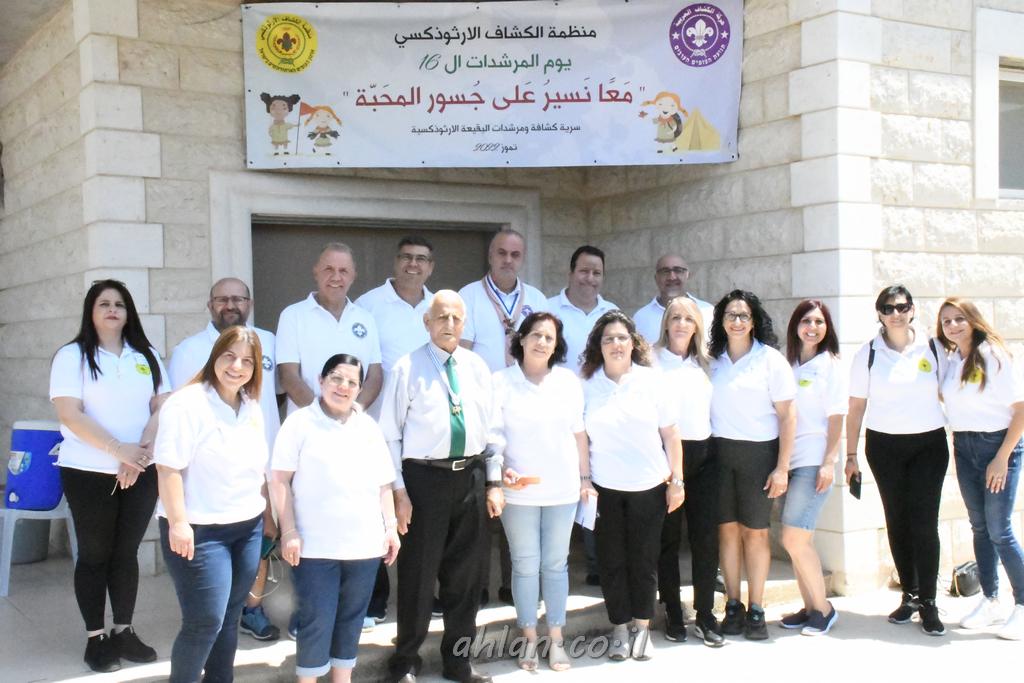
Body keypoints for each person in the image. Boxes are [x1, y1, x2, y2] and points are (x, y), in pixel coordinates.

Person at [380, 290, 503, 683]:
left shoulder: (477, 367)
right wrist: (399, 492)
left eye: (456, 318)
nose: (449, 324)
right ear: (427, 322)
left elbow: (492, 430)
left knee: (466, 577)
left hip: (471, 476)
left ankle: (458, 660)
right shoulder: (406, 367)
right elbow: (389, 435)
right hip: (424, 480)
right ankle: (405, 661)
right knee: (418, 575)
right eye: (442, 317)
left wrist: (494, 481)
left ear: (464, 324)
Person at [49, 279, 169, 673]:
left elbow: (162, 407)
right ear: (91, 311)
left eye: (120, 303)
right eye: (104, 303)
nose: (113, 309)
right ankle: (95, 638)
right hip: (88, 471)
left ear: (129, 312)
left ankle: (123, 630)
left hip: (140, 469)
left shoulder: (146, 355)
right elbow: (70, 414)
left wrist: (140, 453)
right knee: (95, 554)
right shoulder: (72, 356)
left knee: (126, 552)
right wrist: (119, 450)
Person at [270, 354, 401, 682]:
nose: (343, 387)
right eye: (336, 378)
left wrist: (390, 528)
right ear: (321, 380)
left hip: (364, 546)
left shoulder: (367, 427)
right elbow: (280, 480)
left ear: (360, 389)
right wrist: (289, 531)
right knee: (316, 620)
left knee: (351, 620)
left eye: (352, 382)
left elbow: (384, 483)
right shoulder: (299, 424)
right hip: (314, 547)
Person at [167, 277, 282, 641]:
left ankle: (252, 608)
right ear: (210, 305)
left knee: (264, 539)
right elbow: (175, 411)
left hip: (258, 465)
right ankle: (211, 613)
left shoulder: (269, 342)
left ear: (250, 303)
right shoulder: (188, 350)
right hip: (209, 482)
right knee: (213, 584)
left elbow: (275, 395)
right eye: (222, 299)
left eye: (238, 298)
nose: (230, 305)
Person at [155, 326, 269, 683]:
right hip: (199, 531)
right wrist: (178, 524)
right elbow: (168, 467)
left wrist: (267, 518)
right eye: (229, 356)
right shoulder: (186, 404)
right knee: (204, 621)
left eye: (247, 361)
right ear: (214, 356)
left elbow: (257, 470)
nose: (237, 367)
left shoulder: (250, 406)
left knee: (230, 616)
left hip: (246, 527)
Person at [489, 312, 592, 671]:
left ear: (556, 344)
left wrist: (585, 478)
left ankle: (557, 639)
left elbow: (579, 434)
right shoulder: (500, 381)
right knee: (525, 565)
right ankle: (529, 639)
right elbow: (493, 437)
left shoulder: (567, 382)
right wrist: (500, 473)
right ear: (521, 339)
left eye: (549, 337)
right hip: (518, 492)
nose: (542, 342)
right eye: (535, 335)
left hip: (562, 491)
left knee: (556, 564)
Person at [580, 310, 684, 661]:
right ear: (598, 346)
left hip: (649, 487)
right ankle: (620, 630)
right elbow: (579, 439)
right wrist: (584, 480)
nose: (616, 344)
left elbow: (671, 434)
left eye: (622, 338)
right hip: (604, 488)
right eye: (608, 338)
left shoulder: (652, 381)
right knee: (611, 561)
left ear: (633, 343)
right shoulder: (587, 384)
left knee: (643, 560)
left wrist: (677, 481)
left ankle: (642, 628)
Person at [846, 284, 949, 636]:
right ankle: (910, 594)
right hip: (884, 447)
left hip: (929, 446)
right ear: (879, 313)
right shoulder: (868, 354)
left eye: (902, 307)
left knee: (925, 522)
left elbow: (951, 391)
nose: (896, 314)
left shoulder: (934, 348)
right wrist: (850, 455)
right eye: (888, 308)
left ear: (912, 310)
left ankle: (929, 603)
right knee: (897, 519)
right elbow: (856, 407)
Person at [354, 235, 435, 628]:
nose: (413, 265)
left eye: (421, 259)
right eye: (406, 257)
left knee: (421, 515)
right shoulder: (368, 306)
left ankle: (423, 594)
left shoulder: (439, 308)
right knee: (378, 514)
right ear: (395, 261)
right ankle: (375, 599)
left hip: (423, 433)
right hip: (376, 428)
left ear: (431, 267)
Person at [459, 229, 542, 603]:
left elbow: (546, 354)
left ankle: (514, 584)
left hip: (523, 413)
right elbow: (460, 356)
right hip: (481, 413)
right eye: (501, 253)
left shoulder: (536, 300)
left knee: (519, 501)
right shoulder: (469, 297)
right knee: (479, 507)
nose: (508, 260)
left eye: (515, 254)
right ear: (490, 256)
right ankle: (477, 585)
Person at [708, 289, 796, 641]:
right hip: (719, 454)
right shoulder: (711, 360)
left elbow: (788, 416)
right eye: (730, 315)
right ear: (721, 321)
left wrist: (782, 467)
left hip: (759, 456)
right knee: (727, 531)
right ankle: (733, 606)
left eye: (743, 315)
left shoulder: (770, 360)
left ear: (754, 321)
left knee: (755, 533)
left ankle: (757, 608)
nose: (737, 321)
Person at [936, 298, 1024, 640]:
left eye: (959, 318)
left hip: (997, 446)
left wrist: (1002, 457)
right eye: (946, 321)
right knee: (980, 527)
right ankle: (990, 599)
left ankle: (1022, 603)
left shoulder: (994, 355)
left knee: (1000, 529)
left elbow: (1020, 409)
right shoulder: (951, 360)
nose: (953, 326)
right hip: (964, 445)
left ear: (973, 320)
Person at [652, 297, 723, 647]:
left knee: (705, 539)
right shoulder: (650, 361)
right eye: (675, 317)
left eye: (688, 319)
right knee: (667, 539)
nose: (681, 324)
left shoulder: (707, 363)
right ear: (666, 323)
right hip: (666, 458)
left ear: (697, 326)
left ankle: (705, 613)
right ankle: (673, 611)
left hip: (704, 456)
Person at [778, 300, 846, 635]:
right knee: (798, 541)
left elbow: (836, 418)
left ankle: (824, 609)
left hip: (813, 463)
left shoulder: (830, 365)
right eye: (806, 321)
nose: (812, 327)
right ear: (795, 326)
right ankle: (809, 607)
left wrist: (829, 462)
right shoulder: (788, 364)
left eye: (819, 322)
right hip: (787, 464)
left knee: (794, 538)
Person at [276, 242, 383, 415]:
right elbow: (289, 377)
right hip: (307, 423)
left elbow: (375, 377)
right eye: (328, 269)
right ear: (316, 272)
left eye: (343, 271)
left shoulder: (366, 319)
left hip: (352, 425)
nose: (336, 277)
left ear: (353, 276)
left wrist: (352, 414)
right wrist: (323, 416)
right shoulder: (292, 315)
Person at [547, 245, 618, 372]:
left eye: (596, 273)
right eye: (584, 271)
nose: (590, 278)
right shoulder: (547, 310)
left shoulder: (613, 313)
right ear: (570, 274)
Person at [633, 254, 713, 343]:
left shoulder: (708, 312)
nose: (672, 277)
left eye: (678, 270)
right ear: (656, 278)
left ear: (688, 275)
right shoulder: (641, 318)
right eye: (665, 271)